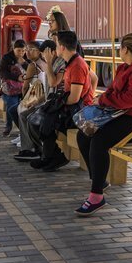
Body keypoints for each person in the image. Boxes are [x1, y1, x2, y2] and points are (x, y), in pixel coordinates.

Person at [74, 33, 132, 216]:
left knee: (100, 140)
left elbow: (131, 99)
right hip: (126, 116)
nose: (119, 51)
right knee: (84, 134)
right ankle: (99, 180)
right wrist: (105, 99)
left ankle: (96, 196)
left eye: (120, 48)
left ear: (125, 49)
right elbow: (115, 91)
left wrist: (103, 100)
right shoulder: (127, 67)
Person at [32, 30, 93, 172]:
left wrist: (57, 104)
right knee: (40, 119)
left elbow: (74, 98)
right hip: (72, 107)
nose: (56, 47)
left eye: (57, 44)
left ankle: (55, 157)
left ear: (62, 47)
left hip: (78, 112)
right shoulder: (71, 62)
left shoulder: (77, 65)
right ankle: (50, 156)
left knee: (43, 120)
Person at [14, 40, 64, 160]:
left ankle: (37, 150)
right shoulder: (49, 64)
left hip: (55, 104)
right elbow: (47, 90)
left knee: (29, 117)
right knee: (24, 114)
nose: (43, 56)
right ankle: (30, 148)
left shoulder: (58, 64)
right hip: (46, 101)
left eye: (44, 53)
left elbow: (52, 83)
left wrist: (49, 64)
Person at [0, 39, 28, 136]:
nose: (21, 53)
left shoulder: (26, 58)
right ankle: (9, 126)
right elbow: (2, 73)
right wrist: (17, 77)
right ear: (13, 49)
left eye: (23, 51)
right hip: (10, 89)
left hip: (24, 88)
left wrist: (24, 63)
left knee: (21, 107)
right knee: (12, 105)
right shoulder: (7, 58)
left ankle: (23, 130)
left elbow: (32, 70)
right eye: (19, 50)